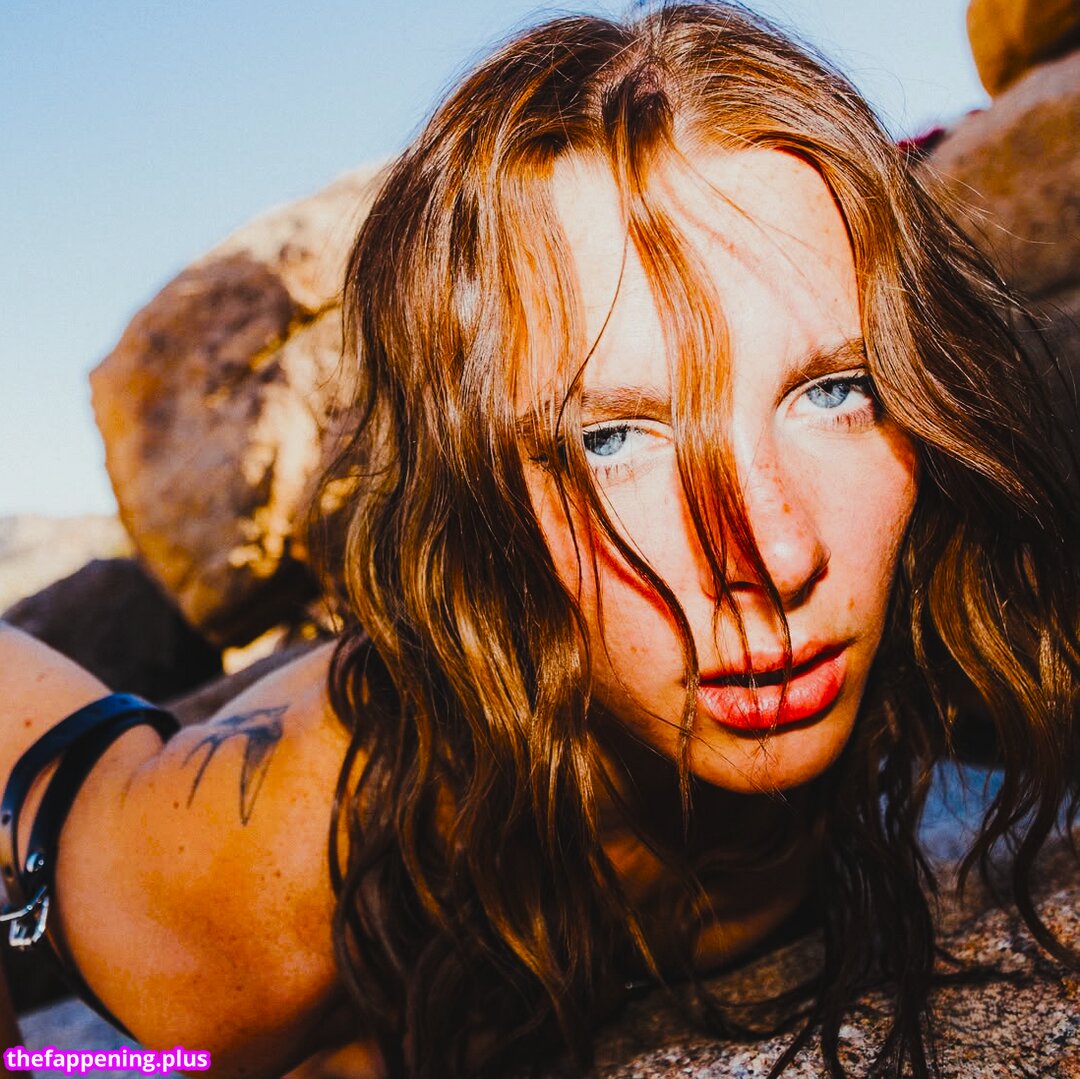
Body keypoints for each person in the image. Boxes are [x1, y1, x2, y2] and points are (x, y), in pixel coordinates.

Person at [2, 3, 1078, 1077]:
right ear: (475, 494)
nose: (780, 554)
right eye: (612, 438)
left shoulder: (957, 585)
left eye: (834, 390)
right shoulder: (242, 908)